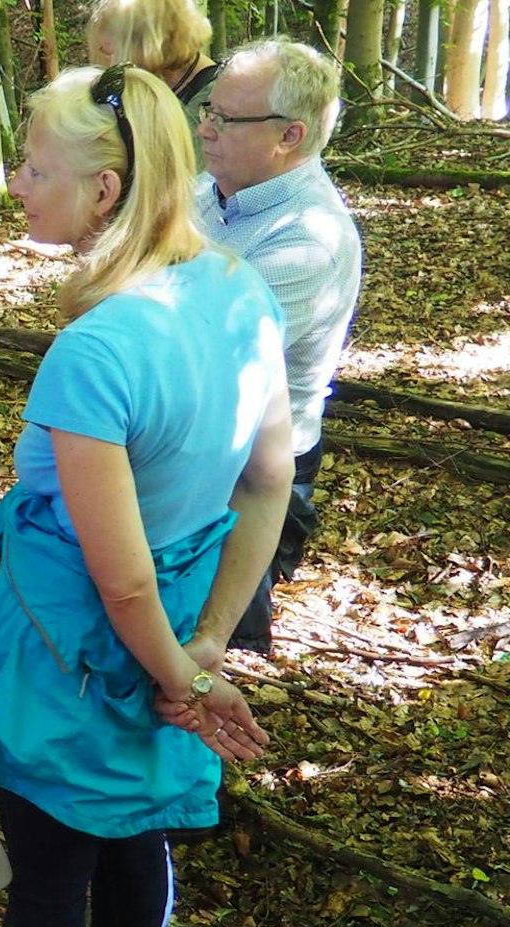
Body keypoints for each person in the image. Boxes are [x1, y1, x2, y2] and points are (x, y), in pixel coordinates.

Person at [0, 66, 293, 927]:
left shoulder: (98, 348)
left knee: (54, 875)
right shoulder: (238, 289)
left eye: (32, 168)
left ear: (104, 189)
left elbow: (122, 581)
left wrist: (186, 673)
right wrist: (205, 648)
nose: (14, 184)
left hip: (79, 656)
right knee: (136, 839)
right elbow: (268, 485)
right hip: (177, 633)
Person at [195, 38, 362, 654]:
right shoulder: (207, 193)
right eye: (207, 111)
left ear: (289, 136)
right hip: (193, 450)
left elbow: (200, 362)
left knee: (211, 639)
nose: (206, 130)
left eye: (225, 119)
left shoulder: (310, 239)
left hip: (253, 473)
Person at [88, 0, 219, 130]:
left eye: (111, 51)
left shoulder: (215, 103)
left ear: (149, 42)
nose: (113, 61)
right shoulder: (157, 85)